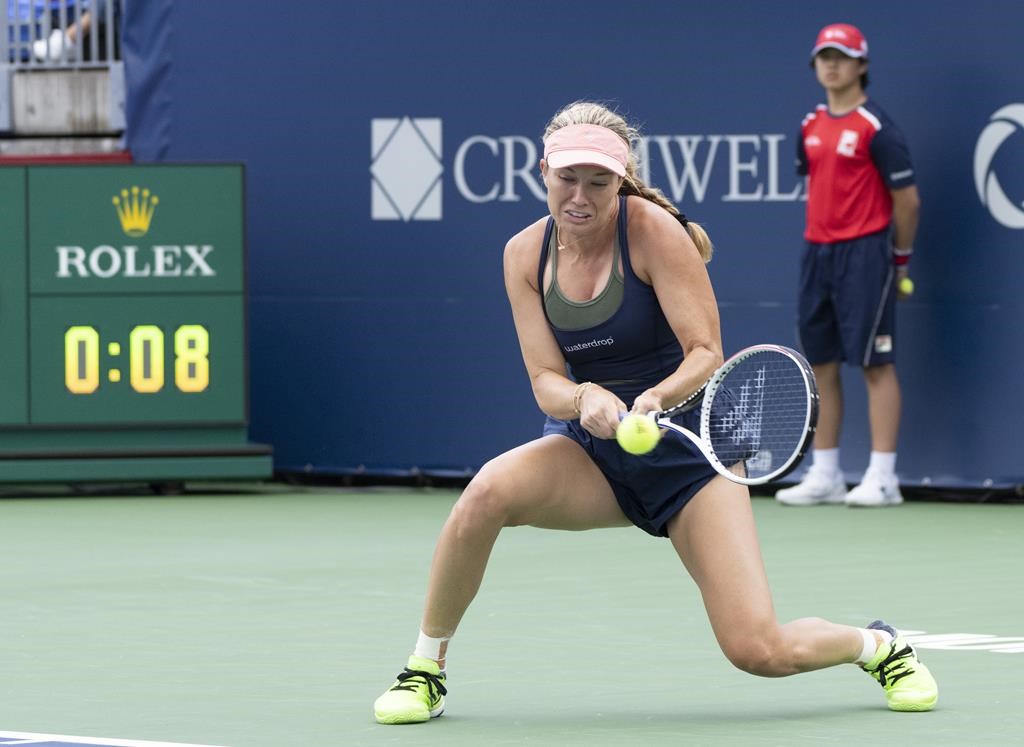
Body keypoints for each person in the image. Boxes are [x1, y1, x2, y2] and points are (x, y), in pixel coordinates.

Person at [372, 101, 937, 725]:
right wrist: (586, 398)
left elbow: (706, 353)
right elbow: (544, 380)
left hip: (692, 457)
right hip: (592, 453)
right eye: (567, 178)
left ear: (622, 180)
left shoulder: (653, 233)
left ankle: (880, 645)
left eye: (598, 180)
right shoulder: (522, 255)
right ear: (542, 173)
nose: (579, 196)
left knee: (758, 650)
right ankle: (425, 668)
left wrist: (656, 397)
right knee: (483, 495)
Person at [776, 23, 920, 508]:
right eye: (824, 56)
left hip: (866, 255)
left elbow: (908, 201)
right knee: (821, 363)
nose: (831, 64)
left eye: (842, 56)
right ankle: (828, 473)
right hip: (817, 253)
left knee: (875, 363)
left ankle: (884, 477)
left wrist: (898, 260)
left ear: (861, 65)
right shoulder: (810, 126)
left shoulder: (877, 128)